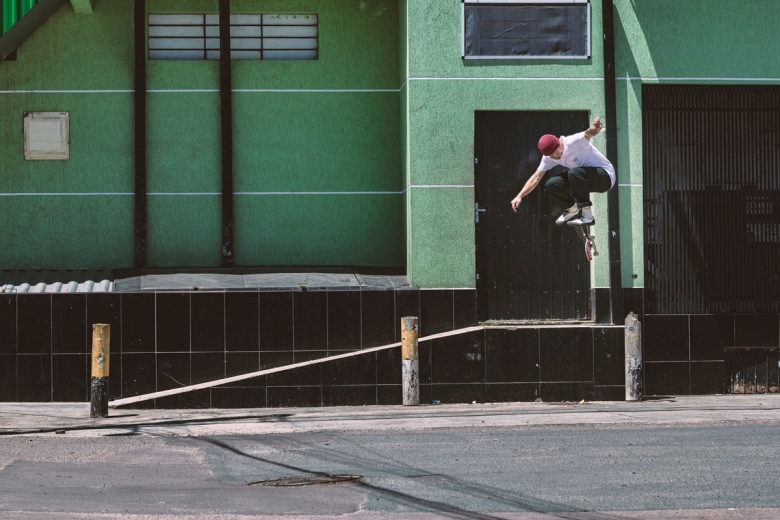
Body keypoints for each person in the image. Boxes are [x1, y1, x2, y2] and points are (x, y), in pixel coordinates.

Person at [510, 116, 615, 227]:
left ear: (559, 144)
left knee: (574, 173)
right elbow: (536, 178)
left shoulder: (572, 141)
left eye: (553, 154)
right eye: (549, 156)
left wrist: (595, 128)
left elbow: (588, 134)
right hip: (584, 179)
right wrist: (520, 196)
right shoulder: (550, 157)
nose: (552, 157)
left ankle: (587, 216)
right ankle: (572, 208)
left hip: (605, 177)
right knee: (552, 184)